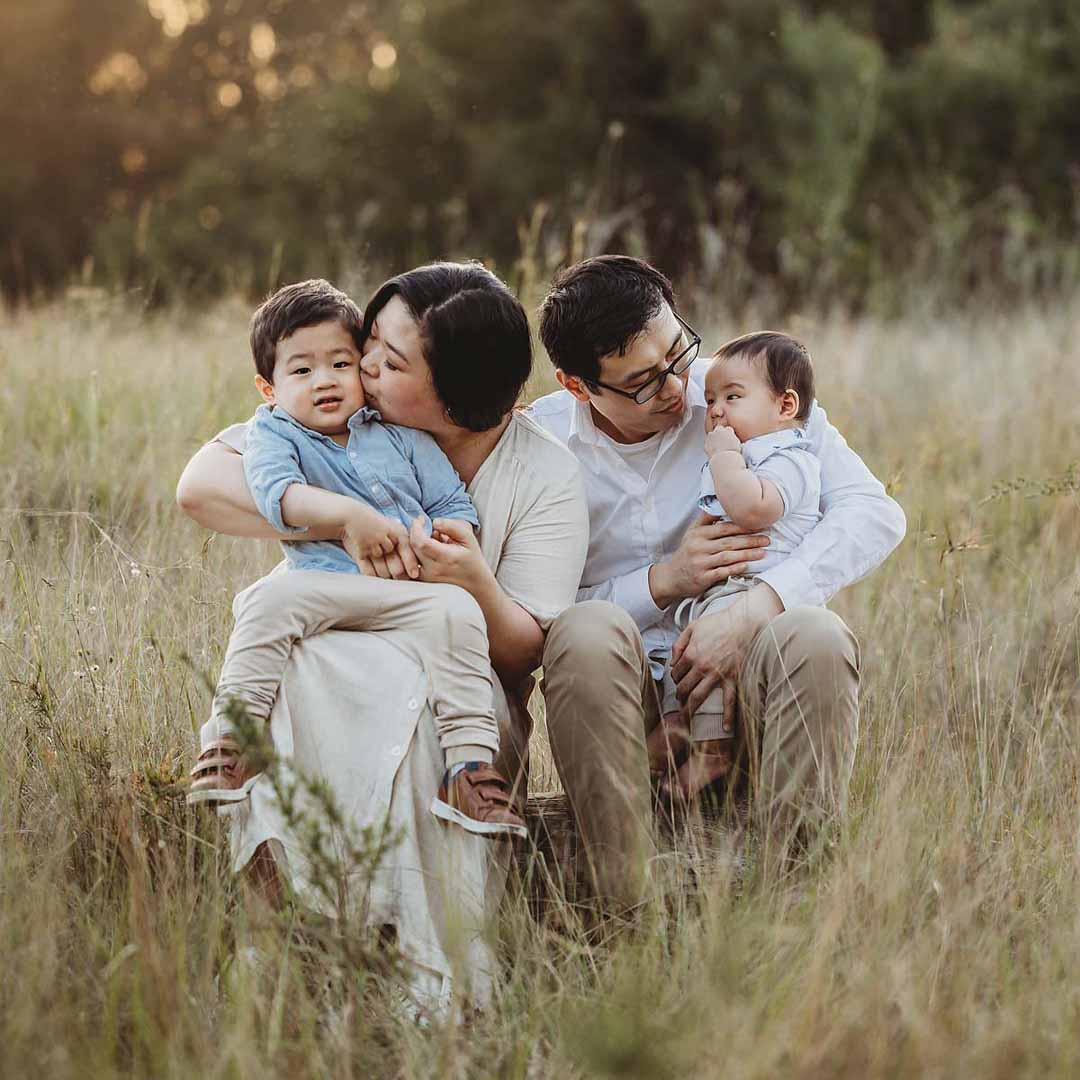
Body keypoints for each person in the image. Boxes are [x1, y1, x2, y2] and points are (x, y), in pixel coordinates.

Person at [176, 262, 588, 1009]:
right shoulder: (331, 413)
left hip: (453, 675)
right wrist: (341, 516)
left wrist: (468, 578)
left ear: (454, 396)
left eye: (385, 362)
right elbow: (202, 485)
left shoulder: (540, 476)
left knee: (410, 715)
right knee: (297, 670)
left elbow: (525, 652)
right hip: (333, 645)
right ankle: (287, 940)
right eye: (367, 346)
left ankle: (428, 964)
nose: (357, 367)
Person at [529, 255, 906, 873]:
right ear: (577, 386)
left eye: (679, 353)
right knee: (587, 633)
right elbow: (534, 608)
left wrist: (760, 606)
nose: (678, 388)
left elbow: (874, 513)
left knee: (814, 632)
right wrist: (665, 583)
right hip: (631, 700)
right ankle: (619, 893)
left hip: (755, 682)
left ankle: (796, 891)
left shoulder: (743, 392)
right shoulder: (542, 444)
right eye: (644, 382)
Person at [187, 278, 525, 841]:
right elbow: (276, 494)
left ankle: (468, 769)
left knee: (461, 615)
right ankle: (233, 740)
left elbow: (448, 499)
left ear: (362, 367)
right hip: (324, 587)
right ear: (267, 388)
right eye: (301, 371)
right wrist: (350, 516)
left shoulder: (398, 434)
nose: (324, 381)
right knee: (265, 601)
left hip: (408, 589)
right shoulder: (274, 434)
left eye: (341, 363)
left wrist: (448, 537)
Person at [648, 330, 822, 800]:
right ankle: (677, 725)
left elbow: (751, 508)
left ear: (785, 407)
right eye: (711, 399)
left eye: (732, 397)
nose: (716, 410)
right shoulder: (747, 453)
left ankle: (711, 753)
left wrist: (724, 458)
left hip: (750, 588)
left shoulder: (789, 458)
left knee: (710, 653)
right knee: (681, 650)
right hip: (715, 589)